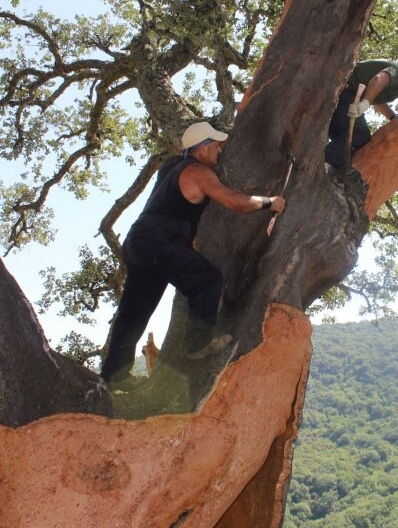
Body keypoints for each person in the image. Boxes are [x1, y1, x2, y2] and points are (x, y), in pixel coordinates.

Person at [100, 121, 286, 389]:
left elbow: (174, 204)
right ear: (202, 147)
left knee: (134, 311)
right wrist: (271, 202)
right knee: (207, 280)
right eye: (216, 146)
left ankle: (112, 376)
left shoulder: (170, 166)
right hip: (157, 243)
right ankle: (198, 343)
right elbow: (235, 201)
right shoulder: (199, 172)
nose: (220, 152)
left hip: (137, 242)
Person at [325, 59, 398, 169]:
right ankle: (324, 161)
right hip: (345, 88)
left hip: (346, 96)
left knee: (349, 139)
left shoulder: (396, 91)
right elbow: (380, 79)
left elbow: (378, 102)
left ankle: (327, 160)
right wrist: (365, 103)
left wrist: (393, 118)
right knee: (360, 135)